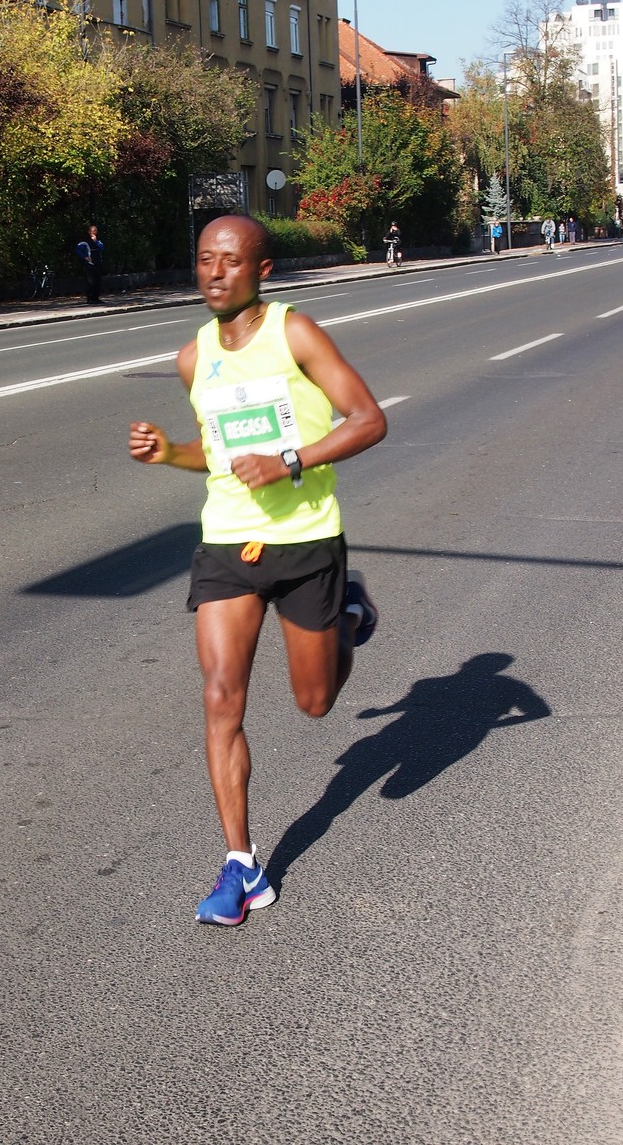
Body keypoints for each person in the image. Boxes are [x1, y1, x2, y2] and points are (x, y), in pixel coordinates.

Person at [129, 214, 387, 926]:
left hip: (306, 540)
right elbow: (214, 455)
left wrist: (292, 461)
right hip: (228, 542)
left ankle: (349, 611)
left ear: (262, 270)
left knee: (315, 702)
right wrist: (168, 453)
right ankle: (242, 867)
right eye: (205, 259)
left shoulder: (294, 333)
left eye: (231, 261)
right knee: (220, 696)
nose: (214, 273)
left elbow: (368, 419)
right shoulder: (193, 357)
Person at [77, 224, 105, 304]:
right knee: (90, 282)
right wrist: (84, 257)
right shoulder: (84, 242)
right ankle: (90, 298)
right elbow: (78, 250)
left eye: (95, 231)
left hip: (97, 263)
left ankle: (96, 298)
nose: (93, 233)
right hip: (89, 264)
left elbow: (102, 247)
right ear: (89, 232)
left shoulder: (98, 241)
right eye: (92, 231)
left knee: (98, 281)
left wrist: (95, 241)